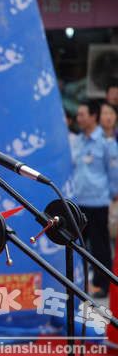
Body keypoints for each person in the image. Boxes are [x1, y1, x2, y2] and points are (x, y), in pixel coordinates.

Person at [72, 100, 118, 298]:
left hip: (98, 202)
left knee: (100, 246)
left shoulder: (106, 142)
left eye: (82, 114)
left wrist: (113, 194)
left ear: (93, 116)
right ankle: (82, 283)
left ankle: (103, 284)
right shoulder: (78, 140)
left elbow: (114, 171)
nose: (78, 118)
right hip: (78, 201)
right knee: (79, 245)